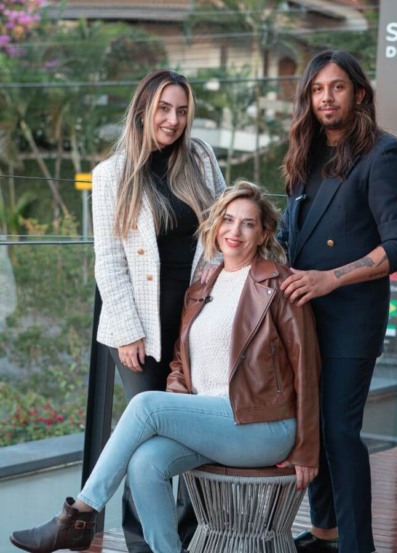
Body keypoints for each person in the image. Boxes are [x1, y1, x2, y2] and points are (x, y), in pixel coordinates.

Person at [10, 180, 321, 553]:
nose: (234, 231)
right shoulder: (203, 284)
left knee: (146, 405)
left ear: (264, 232)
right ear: (215, 225)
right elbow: (179, 362)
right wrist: (178, 413)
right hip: (214, 423)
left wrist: (307, 447)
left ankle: (78, 514)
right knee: (145, 463)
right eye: (227, 219)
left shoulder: (280, 285)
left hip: (263, 426)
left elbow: (307, 367)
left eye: (248, 223)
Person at [277, 49, 397, 553]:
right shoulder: (304, 156)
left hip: (350, 320)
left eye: (336, 87)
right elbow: (288, 236)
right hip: (301, 318)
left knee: (339, 432)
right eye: (317, 90)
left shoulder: (384, 154)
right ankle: (324, 533)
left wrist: (330, 279)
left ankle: (358, 545)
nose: (326, 98)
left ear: (359, 93)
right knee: (311, 430)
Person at [89, 69, 226, 551]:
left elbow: (223, 231)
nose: (173, 119)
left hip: (197, 324)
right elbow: (107, 258)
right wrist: (127, 330)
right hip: (141, 329)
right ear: (144, 109)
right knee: (145, 442)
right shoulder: (111, 174)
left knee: (188, 439)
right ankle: (142, 543)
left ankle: (187, 539)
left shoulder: (201, 159)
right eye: (165, 108)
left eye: (182, 110)